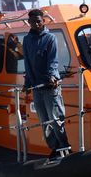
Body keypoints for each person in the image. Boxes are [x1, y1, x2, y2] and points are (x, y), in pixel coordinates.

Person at [22, 9, 70, 160]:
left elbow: (53, 61)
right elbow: (28, 64)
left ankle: (64, 146)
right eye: (33, 21)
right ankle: (55, 148)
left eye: (39, 21)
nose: (36, 24)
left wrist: (51, 77)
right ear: (29, 23)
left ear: (43, 21)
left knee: (56, 118)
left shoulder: (50, 38)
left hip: (50, 86)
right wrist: (27, 84)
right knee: (44, 120)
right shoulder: (27, 40)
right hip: (37, 87)